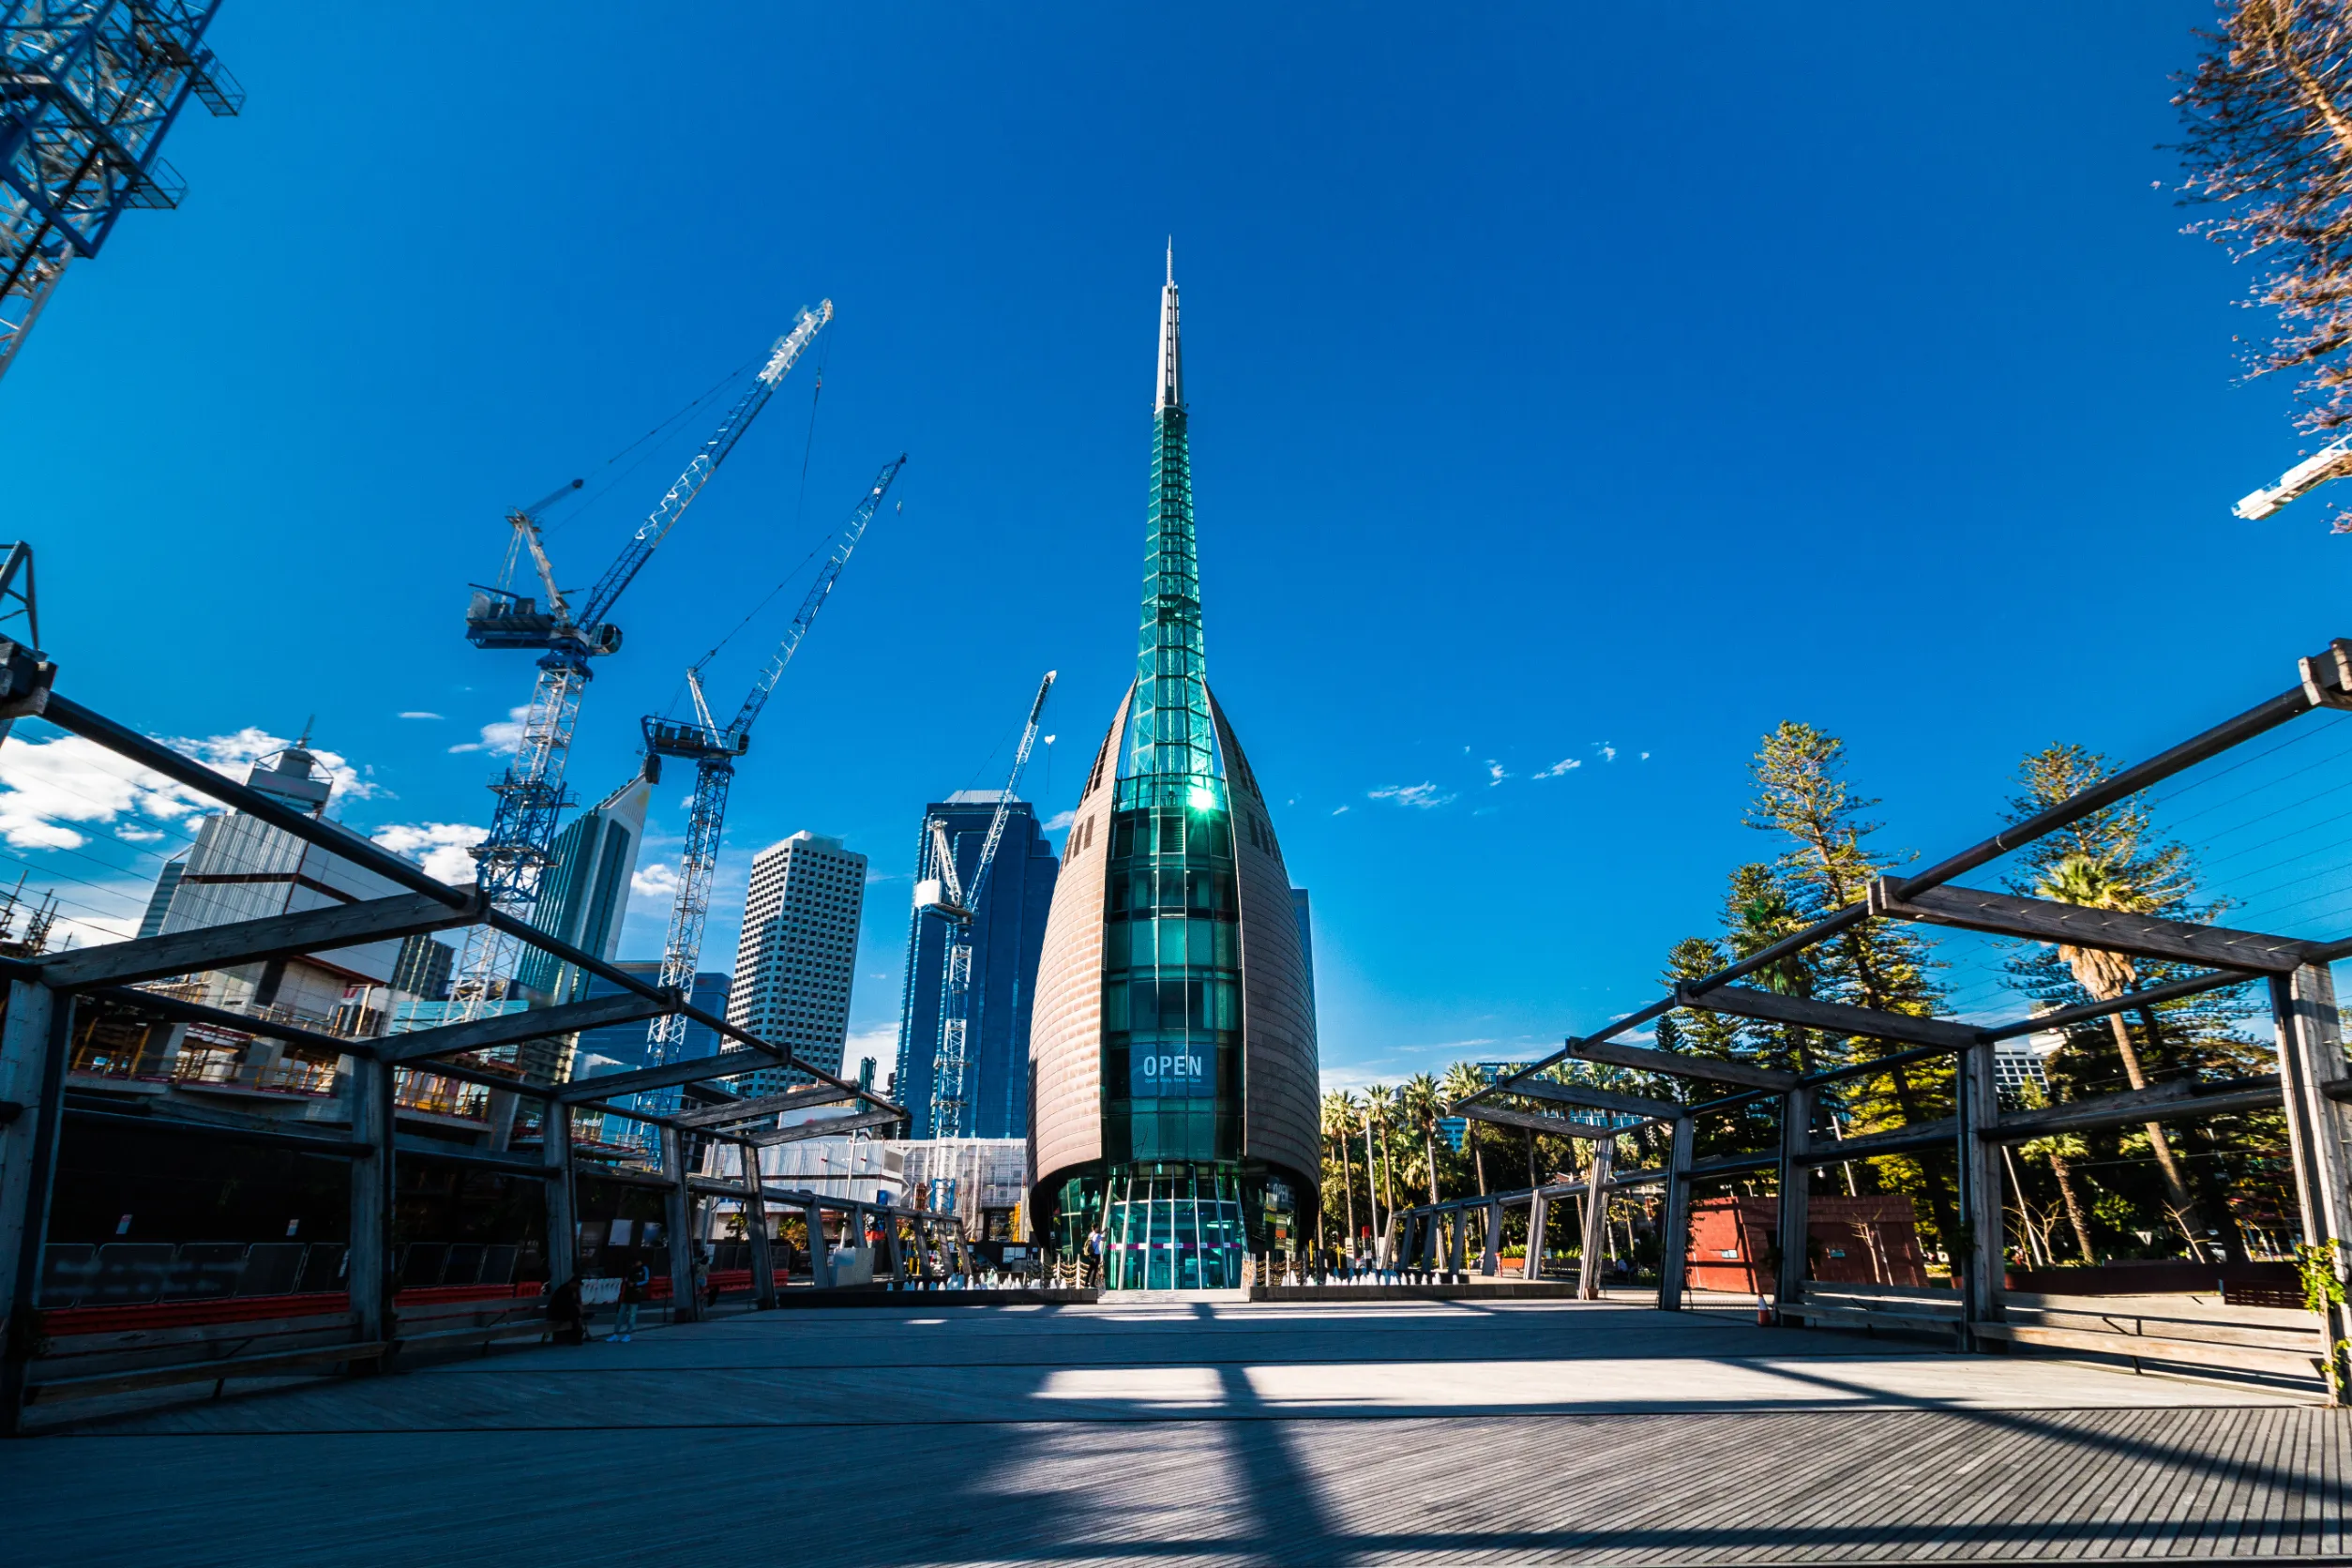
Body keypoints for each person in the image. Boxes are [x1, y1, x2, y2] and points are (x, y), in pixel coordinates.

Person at [609, 1258, 649, 1342]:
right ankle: (615, 1334)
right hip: (627, 1294)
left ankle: (628, 1334)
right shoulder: (631, 1269)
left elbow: (646, 1280)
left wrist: (636, 1284)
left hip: (636, 1294)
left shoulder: (644, 1269)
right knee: (620, 1315)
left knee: (632, 1316)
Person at [546, 1274, 586, 1346]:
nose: (578, 1287)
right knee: (574, 1316)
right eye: (577, 1284)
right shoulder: (564, 1290)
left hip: (565, 1312)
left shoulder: (573, 1290)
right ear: (573, 1283)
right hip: (557, 1313)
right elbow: (565, 1305)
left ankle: (576, 1337)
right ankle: (576, 1337)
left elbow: (575, 1304)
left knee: (575, 1316)